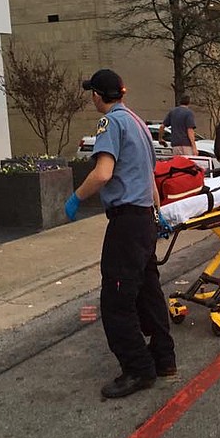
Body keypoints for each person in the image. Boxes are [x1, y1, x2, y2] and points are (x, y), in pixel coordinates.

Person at [64, 69, 176, 399]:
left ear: (98, 95)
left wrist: (76, 197)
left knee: (116, 299)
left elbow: (103, 173)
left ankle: (138, 369)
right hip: (143, 220)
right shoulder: (139, 124)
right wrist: (157, 213)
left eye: (92, 93)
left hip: (126, 223)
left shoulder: (111, 123)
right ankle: (164, 359)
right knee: (148, 292)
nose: (91, 98)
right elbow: (149, 176)